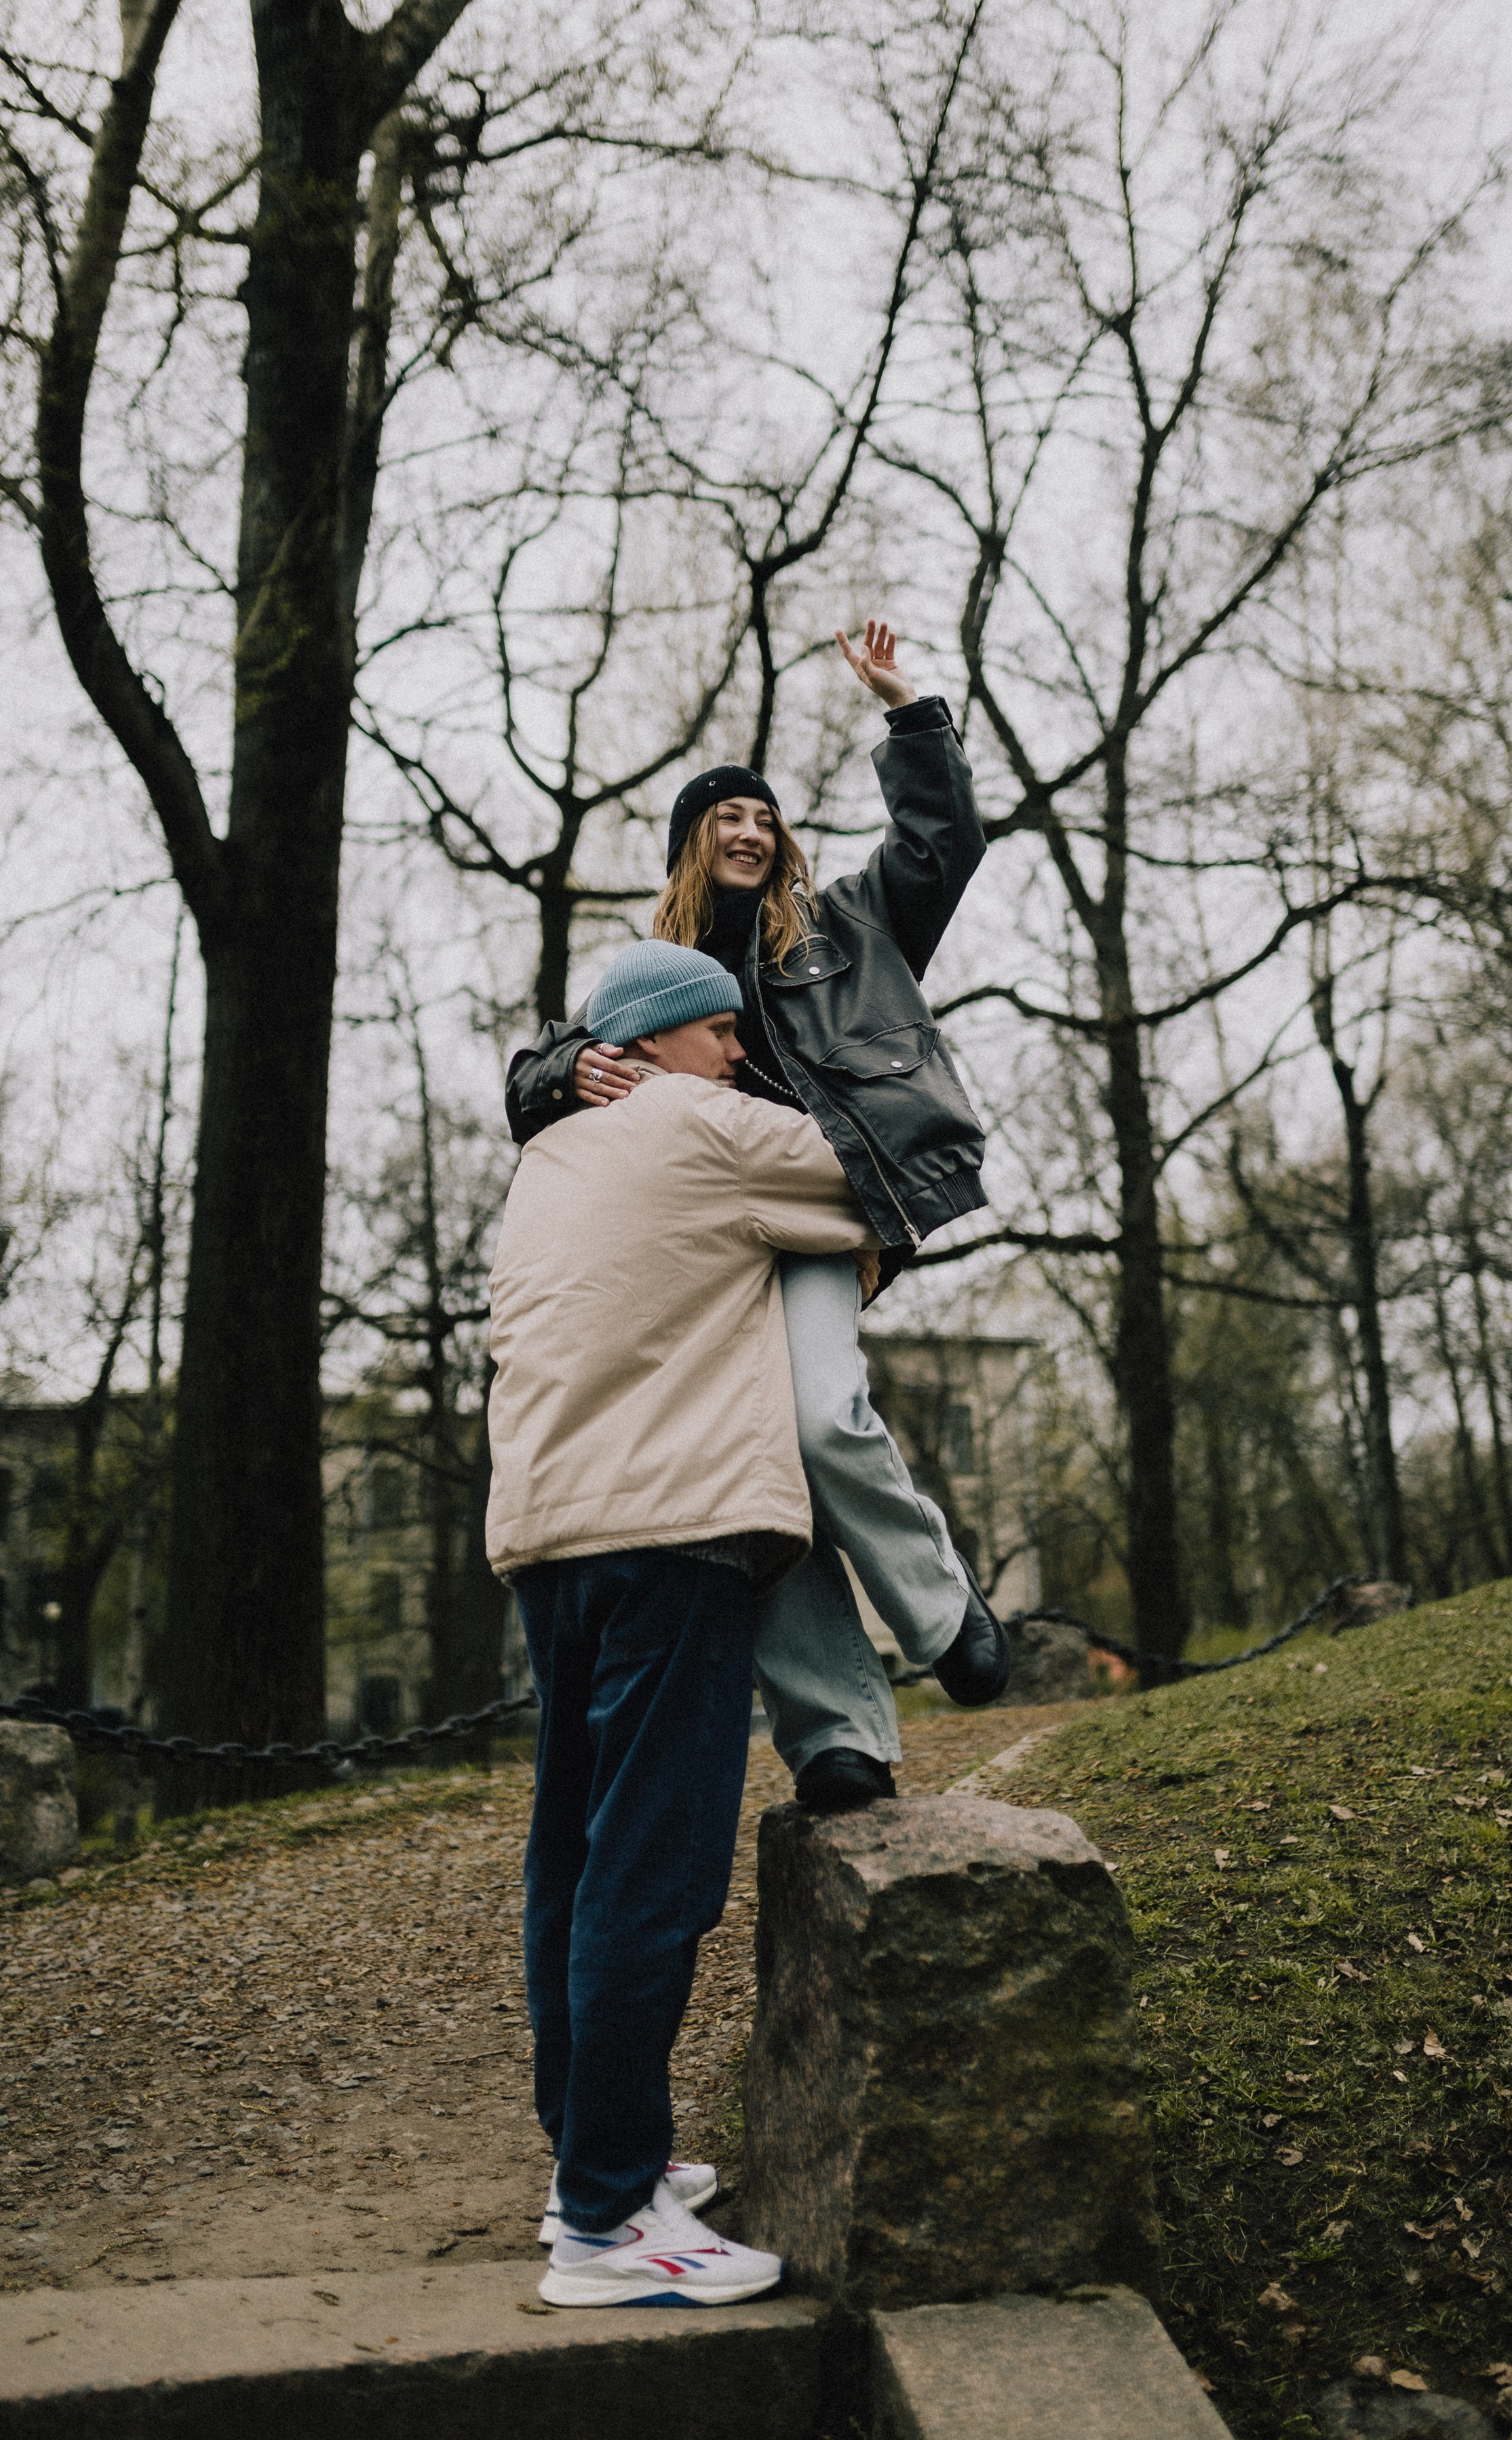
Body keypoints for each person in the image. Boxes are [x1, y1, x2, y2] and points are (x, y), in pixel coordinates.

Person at [505, 619, 1007, 1815]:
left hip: (819, 1210)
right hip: (699, 1245)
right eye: (722, 816)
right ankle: (837, 1735)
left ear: (780, 842)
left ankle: (941, 1611)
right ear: (692, 845)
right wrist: (557, 1075)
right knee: (750, 1476)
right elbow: (544, 1073)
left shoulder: (850, 926)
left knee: (822, 1419)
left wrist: (908, 712)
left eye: (763, 816)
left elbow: (946, 845)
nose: (747, 828)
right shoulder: (649, 970)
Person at [486, 935, 883, 2307]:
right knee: (650, 1880)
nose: (737, 1051)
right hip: (672, 1532)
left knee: (573, 1858)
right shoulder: (707, 1122)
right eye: (721, 1030)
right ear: (664, 1039)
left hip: (550, 1536)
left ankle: (586, 2168)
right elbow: (874, 1179)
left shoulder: (547, 1153)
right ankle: (605, 2230)